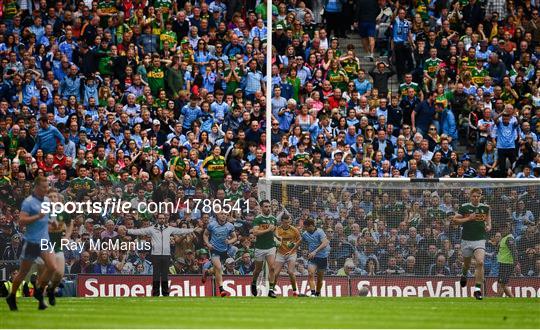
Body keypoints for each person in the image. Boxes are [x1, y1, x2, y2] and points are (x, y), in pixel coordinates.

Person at [6, 177, 59, 311]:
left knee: (52, 267)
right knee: (23, 272)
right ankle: (12, 296)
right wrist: (37, 217)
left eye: (47, 187)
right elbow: (21, 221)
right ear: (36, 187)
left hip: (44, 240)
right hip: (31, 242)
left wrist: (52, 222)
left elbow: (46, 217)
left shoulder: (46, 201)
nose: (46, 189)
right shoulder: (28, 202)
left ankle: (39, 291)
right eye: (44, 187)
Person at [127, 214, 201, 296]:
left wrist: (192, 230)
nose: (162, 220)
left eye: (163, 218)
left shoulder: (169, 229)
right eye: (160, 218)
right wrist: (128, 231)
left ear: (165, 219)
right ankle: (155, 293)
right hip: (155, 255)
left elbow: (180, 231)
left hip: (166, 255)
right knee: (156, 275)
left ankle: (165, 293)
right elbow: (140, 231)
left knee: (165, 275)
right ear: (157, 219)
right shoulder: (152, 229)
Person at [452, 188, 491, 300]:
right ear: (470, 196)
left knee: (480, 262)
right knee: (467, 264)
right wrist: (468, 218)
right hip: (466, 240)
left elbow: (488, 221)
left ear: (481, 197)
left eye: (478, 196)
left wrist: (488, 226)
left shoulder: (485, 208)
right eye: (473, 196)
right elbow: (455, 220)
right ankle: (464, 274)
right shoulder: (464, 207)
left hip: (480, 239)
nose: (476, 198)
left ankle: (477, 289)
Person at [203, 211, 237, 297]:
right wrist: (208, 244)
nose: (223, 215)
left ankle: (207, 272)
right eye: (221, 214)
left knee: (216, 269)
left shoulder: (230, 226)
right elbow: (205, 235)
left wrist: (229, 241)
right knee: (218, 267)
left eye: (225, 214)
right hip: (214, 249)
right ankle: (221, 289)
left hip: (224, 250)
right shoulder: (212, 225)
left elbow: (235, 237)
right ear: (217, 215)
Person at [270, 213, 302, 297]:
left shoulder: (294, 230)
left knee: (291, 272)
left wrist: (292, 248)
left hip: (291, 253)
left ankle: (295, 291)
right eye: (285, 222)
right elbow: (274, 239)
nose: (287, 224)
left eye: (288, 222)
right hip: (280, 254)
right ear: (282, 222)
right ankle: (272, 291)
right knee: (275, 273)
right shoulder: (278, 230)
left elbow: (299, 240)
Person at [250, 200, 277, 298]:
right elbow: (255, 233)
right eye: (266, 206)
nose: (268, 208)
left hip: (271, 246)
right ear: (261, 208)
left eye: (269, 206)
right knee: (258, 270)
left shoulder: (273, 219)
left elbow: (274, 231)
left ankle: (271, 290)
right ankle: (253, 283)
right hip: (260, 248)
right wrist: (268, 230)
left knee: (272, 267)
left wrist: (278, 237)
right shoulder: (258, 219)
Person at [301, 218, 330, 297]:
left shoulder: (320, 231)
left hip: (322, 257)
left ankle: (317, 293)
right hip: (312, 257)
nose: (305, 229)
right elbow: (299, 242)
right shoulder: (305, 234)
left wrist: (315, 251)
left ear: (311, 226)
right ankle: (313, 293)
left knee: (320, 278)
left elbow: (325, 242)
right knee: (310, 273)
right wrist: (292, 248)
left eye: (306, 227)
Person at [497, 222, 519, 298]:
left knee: (501, 284)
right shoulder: (504, 238)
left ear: (506, 229)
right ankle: (512, 298)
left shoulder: (509, 238)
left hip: (507, 264)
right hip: (503, 263)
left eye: (502, 230)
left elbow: (514, 251)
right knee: (503, 284)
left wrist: (516, 264)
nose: (501, 232)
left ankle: (497, 301)